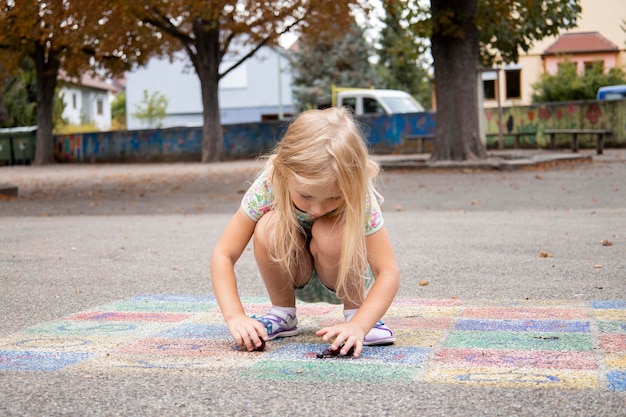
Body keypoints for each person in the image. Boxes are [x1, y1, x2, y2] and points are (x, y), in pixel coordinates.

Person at [210, 107, 400, 358]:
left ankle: (355, 312)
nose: (317, 209)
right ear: (283, 172)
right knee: (269, 225)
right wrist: (235, 317)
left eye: (334, 198)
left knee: (330, 230)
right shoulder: (270, 183)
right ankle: (283, 313)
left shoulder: (357, 193)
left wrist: (360, 324)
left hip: (342, 278)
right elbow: (223, 254)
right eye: (306, 195)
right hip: (294, 274)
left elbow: (388, 271)